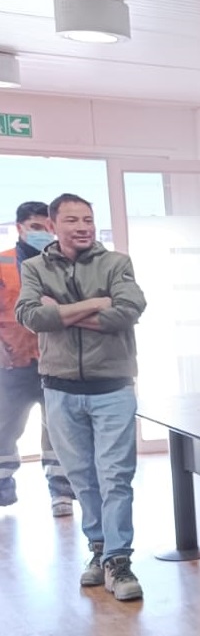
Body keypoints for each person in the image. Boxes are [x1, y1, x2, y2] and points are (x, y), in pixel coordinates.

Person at [15, 193, 147, 602]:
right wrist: (94, 304)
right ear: (53, 225)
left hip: (113, 388)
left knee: (116, 476)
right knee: (82, 479)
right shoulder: (34, 268)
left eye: (87, 219)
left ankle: (119, 560)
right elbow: (31, 316)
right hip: (60, 389)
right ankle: (99, 550)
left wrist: (63, 313)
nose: (83, 227)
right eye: (72, 220)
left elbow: (128, 310)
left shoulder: (116, 263)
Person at [0, 201, 74, 516]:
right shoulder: (2, 263)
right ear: (20, 228)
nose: (42, 232)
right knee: (4, 428)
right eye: (35, 226)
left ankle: (62, 493)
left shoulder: (61, 264)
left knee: (58, 429)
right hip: (12, 362)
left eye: (47, 226)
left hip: (54, 361)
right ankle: (2, 490)